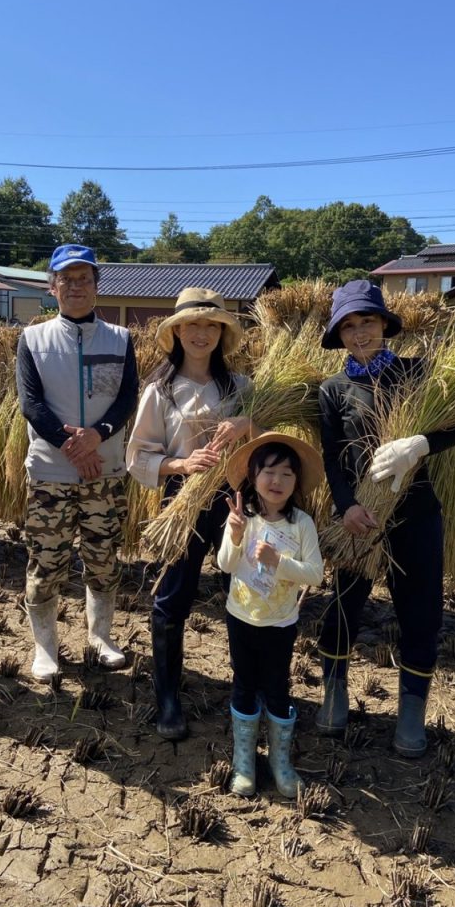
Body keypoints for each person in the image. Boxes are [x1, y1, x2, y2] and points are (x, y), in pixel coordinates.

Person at [316, 280, 455, 757]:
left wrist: (418, 444)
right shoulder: (332, 390)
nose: (359, 333)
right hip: (360, 519)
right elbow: (333, 458)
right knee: (344, 605)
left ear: (385, 325)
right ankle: (334, 691)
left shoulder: (418, 372)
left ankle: (411, 714)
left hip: (417, 514)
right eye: (349, 325)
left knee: (420, 615)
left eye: (368, 321)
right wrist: (346, 507)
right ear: (338, 334)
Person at [126, 287, 258, 740]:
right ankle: (167, 699)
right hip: (180, 501)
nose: (201, 334)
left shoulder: (241, 388)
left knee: (242, 594)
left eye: (211, 325)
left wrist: (247, 425)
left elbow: (269, 445)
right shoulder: (159, 391)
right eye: (192, 325)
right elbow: (138, 456)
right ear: (177, 332)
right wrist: (181, 464)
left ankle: (248, 692)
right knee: (172, 597)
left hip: (233, 500)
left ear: (221, 333)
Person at [16, 244, 138, 680]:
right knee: (46, 561)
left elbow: (126, 399)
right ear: (53, 288)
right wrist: (74, 449)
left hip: (105, 471)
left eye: (84, 278)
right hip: (51, 472)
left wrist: (97, 438)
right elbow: (31, 404)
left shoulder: (121, 339)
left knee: (103, 557)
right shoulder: (32, 339)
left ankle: (101, 636)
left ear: (97, 285)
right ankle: (45, 648)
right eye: (66, 279)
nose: (76, 286)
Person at [219, 433, 324, 798]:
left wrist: (278, 562)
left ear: (296, 483)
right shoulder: (242, 518)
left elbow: (315, 574)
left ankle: (281, 763)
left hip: (280, 623)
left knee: (278, 688)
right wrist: (234, 537)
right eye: (268, 472)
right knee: (244, 684)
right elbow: (226, 565)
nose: (276, 481)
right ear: (253, 476)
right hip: (241, 618)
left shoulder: (302, 525)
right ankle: (244, 762)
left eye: (286, 474)